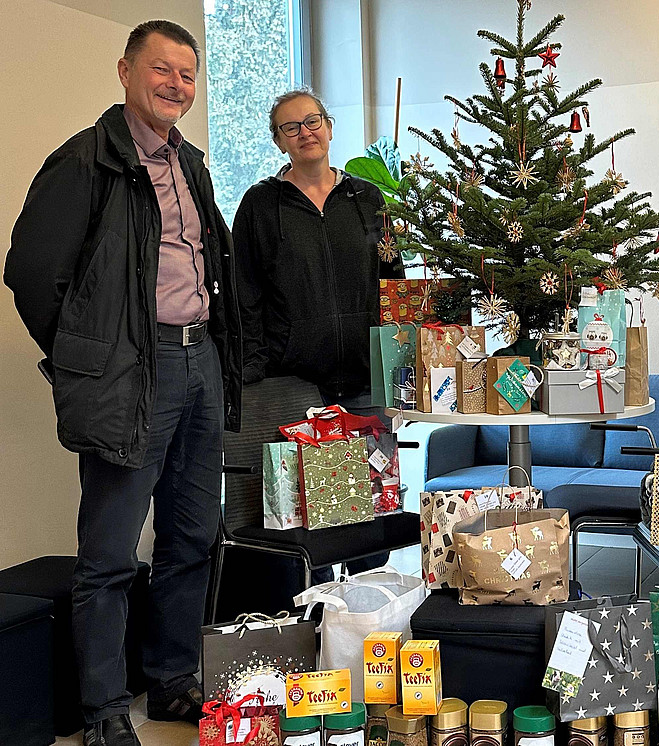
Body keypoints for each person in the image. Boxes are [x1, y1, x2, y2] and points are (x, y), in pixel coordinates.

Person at [4, 20, 242, 746]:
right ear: (126, 71)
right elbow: (31, 276)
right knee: (108, 555)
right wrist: (92, 355)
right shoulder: (85, 162)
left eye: (187, 75)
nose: (177, 85)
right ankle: (105, 710)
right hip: (130, 374)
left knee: (192, 536)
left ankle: (171, 682)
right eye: (163, 70)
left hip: (199, 362)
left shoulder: (190, 163)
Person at [233, 89, 404, 574]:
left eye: (312, 121)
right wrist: (255, 366)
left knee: (370, 507)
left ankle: (370, 612)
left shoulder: (366, 199)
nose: (305, 132)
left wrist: (398, 360)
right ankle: (317, 614)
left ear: (329, 127)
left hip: (365, 379)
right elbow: (244, 292)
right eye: (291, 127)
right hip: (292, 382)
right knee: (306, 513)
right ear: (279, 141)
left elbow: (393, 280)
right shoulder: (262, 205)